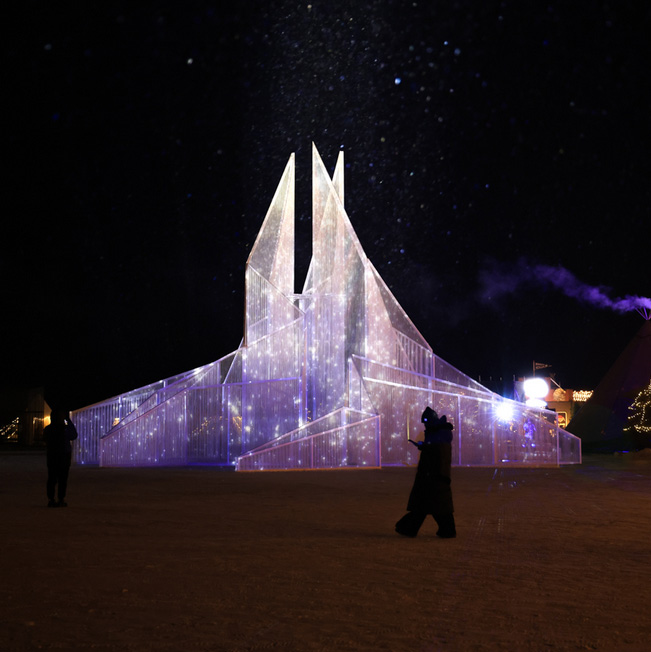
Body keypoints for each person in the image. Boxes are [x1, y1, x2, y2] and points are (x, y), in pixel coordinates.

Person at [395, 407, 456, 538]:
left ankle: (408, 528)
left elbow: (437, 454)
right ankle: (446, 530)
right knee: (434, 505)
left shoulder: (438, 434)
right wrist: (425, 446)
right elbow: (436, 450)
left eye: (427, 422)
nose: (425, 425)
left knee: (427, 505)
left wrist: (426, 447)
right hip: (435, 476)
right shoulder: (439, 433)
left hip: (433, 476)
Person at [44, 407, 78, 508]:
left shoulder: (48, 429)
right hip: (63, 456)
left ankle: (51, 499)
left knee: (52, 478)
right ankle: (61, 499)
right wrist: (68, 420)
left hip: (52, 456)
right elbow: (74, 435)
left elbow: (45, 439)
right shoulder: (64, 430)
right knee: (62, 479)